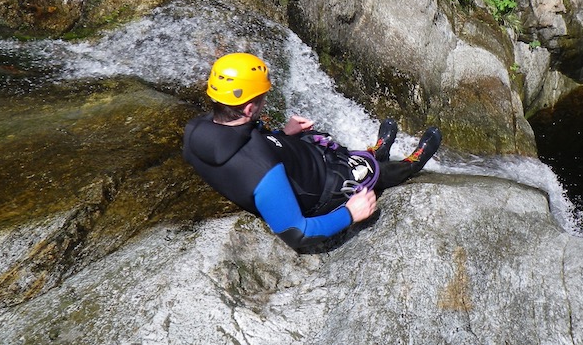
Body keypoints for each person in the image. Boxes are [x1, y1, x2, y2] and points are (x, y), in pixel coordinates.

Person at [183, 52, 441, 250]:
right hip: (325, 189)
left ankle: (375, 151)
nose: (265, 101)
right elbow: (299, 233)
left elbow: (241, 145)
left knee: (325, 145)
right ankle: (410, 163)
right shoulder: (261, 171)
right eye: (262, 98)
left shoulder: (197, 130)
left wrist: (282, 136)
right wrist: (350, 213)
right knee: (372, 172)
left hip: (299, 163)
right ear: (249, 109)